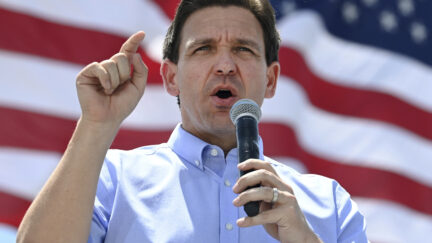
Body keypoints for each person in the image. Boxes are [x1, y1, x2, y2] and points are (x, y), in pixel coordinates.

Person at [17, 0, 368, 242]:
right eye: (203, 49)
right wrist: (96, 124)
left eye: (244, 49)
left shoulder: (329, 204)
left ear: (272, 80)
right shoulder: (110, 180)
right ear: (171, 78)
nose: (225, 65)